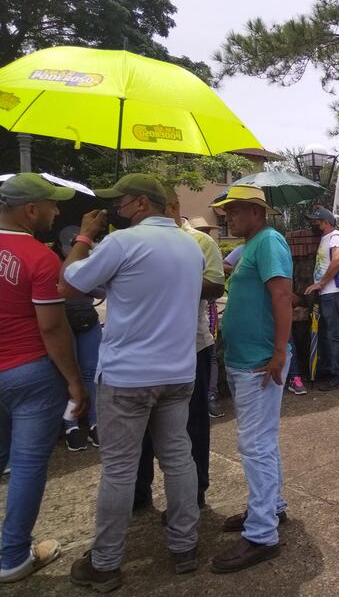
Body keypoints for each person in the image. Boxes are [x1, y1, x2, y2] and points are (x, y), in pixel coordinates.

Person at [60, 174, 202, 589]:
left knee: (120, 469)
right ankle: (184, 546)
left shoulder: (121, 243)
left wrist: (85, 237)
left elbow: (68, 284)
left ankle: (105, 563)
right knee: (178, 458)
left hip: (128, 376)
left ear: (142, 203)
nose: (116, 209)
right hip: (178, 371)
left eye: (120, 202)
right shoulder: (190, 247)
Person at [0, 174, 87, 585]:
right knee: (28, 466)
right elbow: (52, 329)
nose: (57, 211)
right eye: (52, 204)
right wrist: (74, 379)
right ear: (31, 209)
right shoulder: (39, 257)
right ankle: (13, 556)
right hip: (29, 371)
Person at [210, 184, 293, 574]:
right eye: (227, 211)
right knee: (262, 440)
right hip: (249, 359)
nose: (229, 217)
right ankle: (271, 508)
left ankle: (262, 534)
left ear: (257, 212)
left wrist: (278, 352)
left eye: (235, 211)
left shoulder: (269, 241)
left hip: (259, 361)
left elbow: (281, 296)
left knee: (255, 444)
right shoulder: (251, 245)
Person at [134, 186, 225, 514]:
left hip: (192, 344)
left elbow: (216, 284)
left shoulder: (200, 241)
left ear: (171, 207)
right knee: (141, 426)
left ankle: (195, 492)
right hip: (147, 348)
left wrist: (175, 277)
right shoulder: (136, 240)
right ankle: (139, 491)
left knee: (192, 424)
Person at [54, 225, 103, 453]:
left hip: (88, 323)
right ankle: (70, 426)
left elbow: (102, 291)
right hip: (63, 326)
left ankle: (95, 422)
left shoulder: (88, 263)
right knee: (69, 377)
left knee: (91, 374)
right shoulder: (52, 263)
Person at [305, 207, 339, 391]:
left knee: (335, 333)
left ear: (325, 222)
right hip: (328, 293)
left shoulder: (336, 236)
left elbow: (337, 260)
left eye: (316, 222)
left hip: (334, 292)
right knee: (327, 333)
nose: (313, 225)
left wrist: (321, 283)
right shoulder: (326, 238)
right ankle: (331, 369)